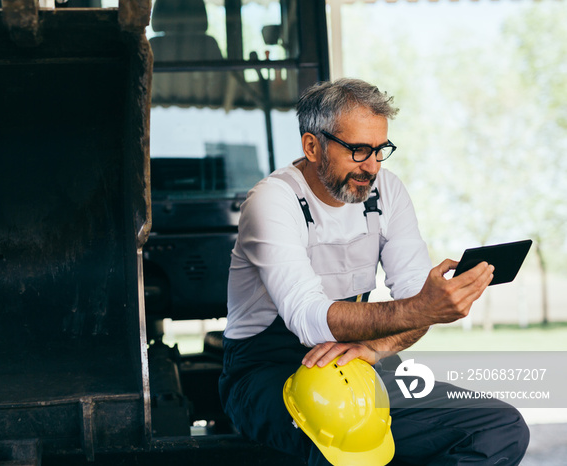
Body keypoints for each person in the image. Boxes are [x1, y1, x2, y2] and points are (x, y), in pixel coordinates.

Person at [218, 78, 529, 465]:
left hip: (360, 363)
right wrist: (424, 309)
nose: (372, 166)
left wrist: (376, 347)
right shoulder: (273, 201)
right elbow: (309, 319)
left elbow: (415, 297)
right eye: (358, 150)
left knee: (500, 427)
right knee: (342, 424)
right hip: (269, 369)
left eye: (380, 150)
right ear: (312, 146)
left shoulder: (388, 193)